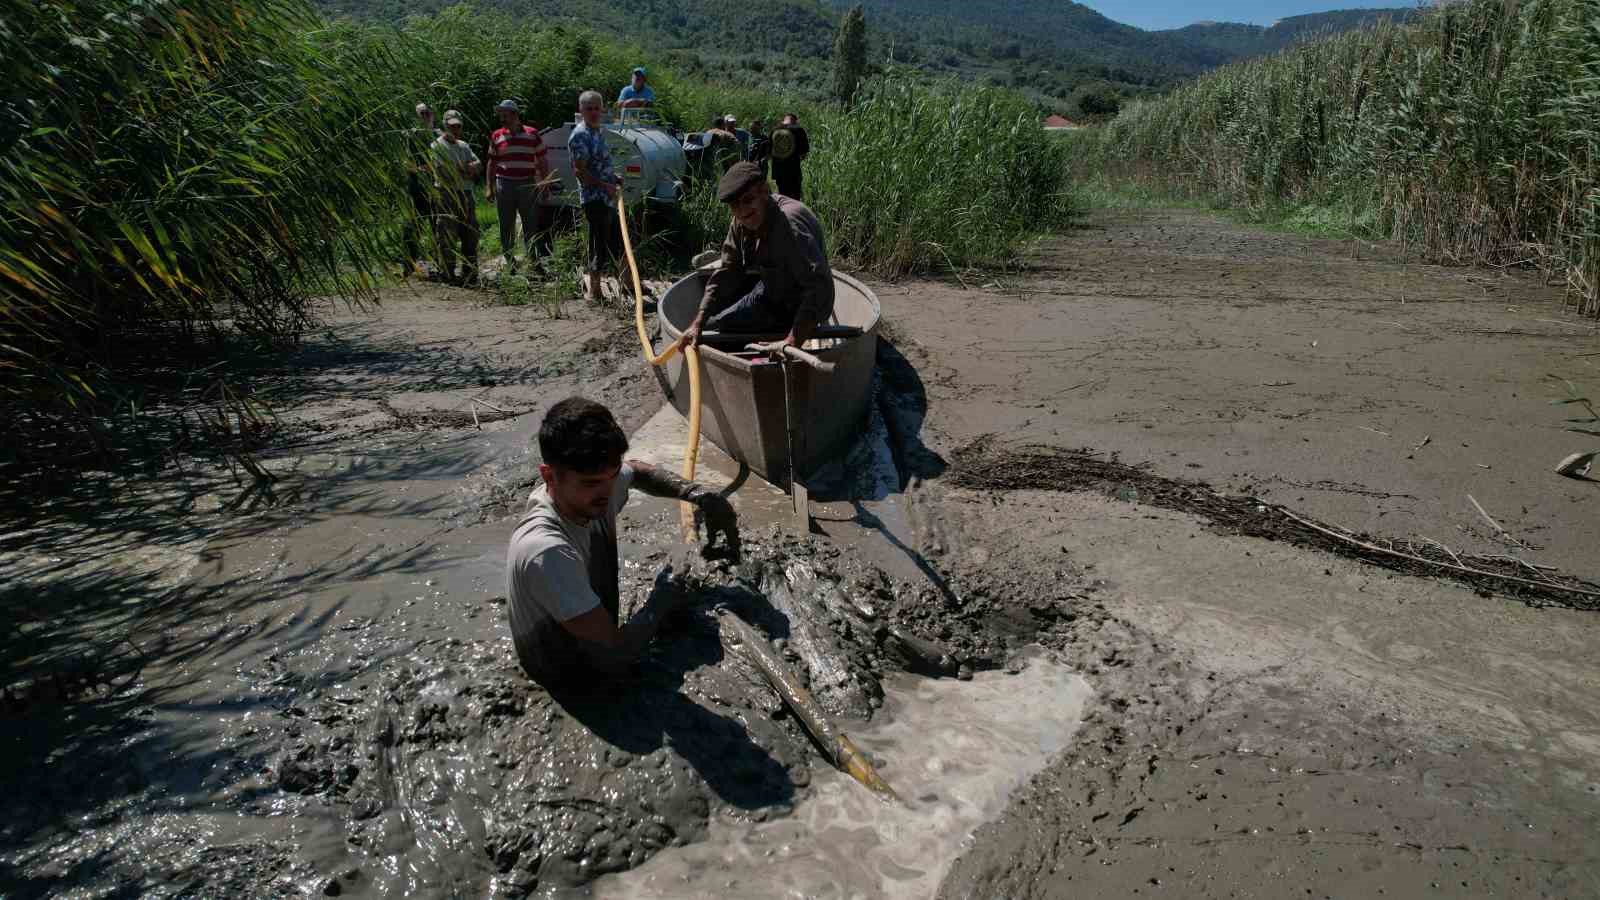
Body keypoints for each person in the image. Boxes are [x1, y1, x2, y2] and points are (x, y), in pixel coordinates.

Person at [506, 397, 739, 688]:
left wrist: (697, 494)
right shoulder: (547, 549)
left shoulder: (590, 490)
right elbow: (615, 653)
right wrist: (660, 601)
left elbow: (636, 471)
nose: (607, 492)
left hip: (591, 631)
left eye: (611, 476)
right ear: (549, 476)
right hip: (567, 673)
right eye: (592, 483)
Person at [677, 161, 834, 352]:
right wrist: (698, 322)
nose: (742, 211)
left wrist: (791, 341)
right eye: (735, 205)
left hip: (802, 305)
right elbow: (727, 272)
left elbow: (819, 288)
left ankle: (785, 334)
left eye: (748, 200)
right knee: (712, 328)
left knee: (732, 336)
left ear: (765, 192)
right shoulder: (740, 221)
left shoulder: (789, 224)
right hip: (771, 292)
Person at [485, 99, 552, 274]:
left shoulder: (532, 134)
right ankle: (510, 261)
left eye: (504, 113)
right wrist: (489, 187)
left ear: (514, 114)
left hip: (527, 183)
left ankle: (534, 261)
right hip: (504, 183)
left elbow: (543, 160)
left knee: (531, 223)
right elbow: (491, 163)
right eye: (500, 113)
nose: (502, 117)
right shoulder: (496, 135)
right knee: (506, 224)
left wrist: (544, 183)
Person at [568, 90, 623, 301]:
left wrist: (613, 177)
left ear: (602, 110)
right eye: (588, 108)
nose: (593, 112)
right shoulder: (580, 135)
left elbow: (598, 163)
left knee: (617, 240)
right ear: (581, 111)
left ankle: (627, 282)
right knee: (597, 242)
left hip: (607, 195)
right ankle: (594, 290)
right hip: (594, 198)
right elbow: (580, 173)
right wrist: (604, 185)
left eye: (596, 108)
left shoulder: (598, 131)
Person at [430, 109, 482, 286]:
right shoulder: (437, 146)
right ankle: (447, 273)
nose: (455, 129)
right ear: (445, 125)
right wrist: (466, 169)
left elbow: (479, 166)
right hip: (446, 194)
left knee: (471, 233)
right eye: (451, 126)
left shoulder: (464, 145)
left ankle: (470, 274)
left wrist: (462, 169)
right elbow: (444, 173)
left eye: (458, 126)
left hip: (466, 194)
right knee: (446, 234)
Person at [402, 103, 441, 276]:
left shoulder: (438, 135)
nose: (425, 116)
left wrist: (426, 168)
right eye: (421, 114)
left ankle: (441, 265)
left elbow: (442, 162)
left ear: (432, 115)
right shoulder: (410, 136)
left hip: (436, 188)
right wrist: (420, 169)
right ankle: (408, 265)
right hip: (415, 189)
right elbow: (405, 162)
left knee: (438, 227)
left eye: (427, 113)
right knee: (411, 227)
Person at [770, 112, 810, 201]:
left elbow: (770, 152)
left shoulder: (774, 130)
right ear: (795, 121)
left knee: (783, 197)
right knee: (795, 198)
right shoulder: (799, 130)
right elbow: (803, 154)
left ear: (783, 119)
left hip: (778, 171)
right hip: (793, 170)